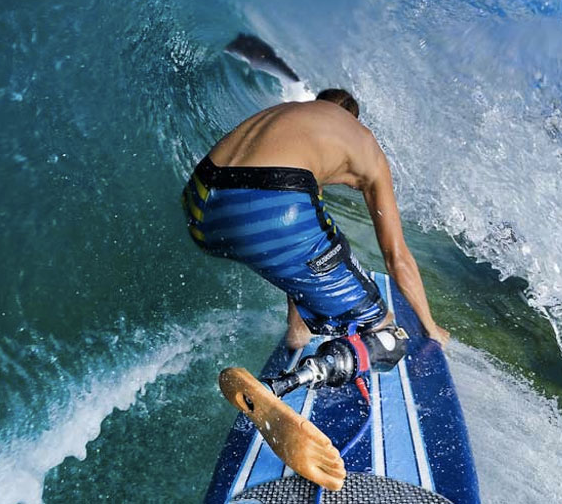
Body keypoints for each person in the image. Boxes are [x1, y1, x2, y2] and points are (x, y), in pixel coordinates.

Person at [182, 89, 449, 490]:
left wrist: (297, 325)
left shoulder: (287, 117)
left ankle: (299, 332)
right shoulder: (363, 142)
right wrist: (430, 327)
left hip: (201, 204)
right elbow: (396, 257)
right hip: (269, 201)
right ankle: (278, 388)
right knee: (387, 335)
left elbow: (294, 256)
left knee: (307, 240)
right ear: (353, 119)